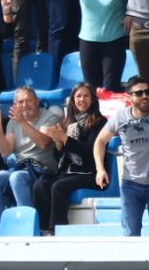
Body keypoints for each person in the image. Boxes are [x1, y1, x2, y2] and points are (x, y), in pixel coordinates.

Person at [94, 75, 149, 236]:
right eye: (139, 93)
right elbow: (100, 141)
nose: (145, 96)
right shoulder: (120, 117)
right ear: (129, 97)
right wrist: (100, 169)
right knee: (131, 237)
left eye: (147, 92)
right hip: (130, 185)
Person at [0, 85, 59, 232]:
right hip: (22, 167)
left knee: (17, 178)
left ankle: (28, 226)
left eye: (28, 100)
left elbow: (43, 142)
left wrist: (22, 121)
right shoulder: (13, 122)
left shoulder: (49, 117)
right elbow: (5, 151)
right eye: (20, 102)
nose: (25, 105)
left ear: (37, 101)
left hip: (44, 169)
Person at [39, 82, 107, 232]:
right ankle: (44, 230)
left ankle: (58, 230)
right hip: (70, 172)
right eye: (78, 96)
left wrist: (65, 139)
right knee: (41, 185)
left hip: (90, 173)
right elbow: (61, 158)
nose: (82, 99)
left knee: (59, 186)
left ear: (93, 99)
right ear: (72, 100)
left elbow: (90, 152)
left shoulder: (100, 122)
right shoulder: (68, 122)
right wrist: (58, 143)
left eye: (86, 96)